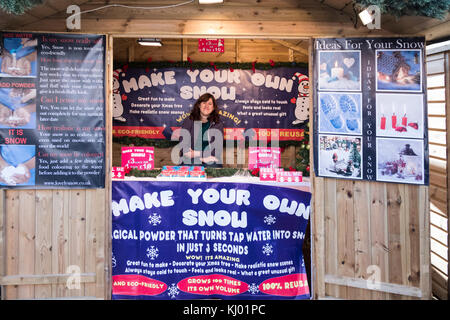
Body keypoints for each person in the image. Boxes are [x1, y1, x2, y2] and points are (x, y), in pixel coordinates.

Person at [172, 93, 223, 167]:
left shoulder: (218, 124)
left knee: (213, 166)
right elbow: (183, 144)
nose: (206, 106)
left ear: (214, 107)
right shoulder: (189, 120)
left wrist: (197, 154)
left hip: (209, 157)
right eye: (204, 103)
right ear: (199, 105)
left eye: (210, 104)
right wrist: (200, 158)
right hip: (190, 157)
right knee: (194, 164)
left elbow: (217, 150)